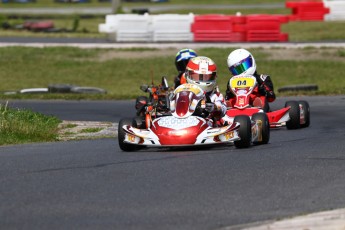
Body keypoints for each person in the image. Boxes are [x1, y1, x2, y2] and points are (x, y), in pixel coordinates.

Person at [183, 56, 227, 124]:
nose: (202, 81)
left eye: (206, 77)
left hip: (207, 126)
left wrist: (214, 107)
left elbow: (223, 108)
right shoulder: (183, 92)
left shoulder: (215, 95)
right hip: (184, 122)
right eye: (198, 77)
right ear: (188, 75)